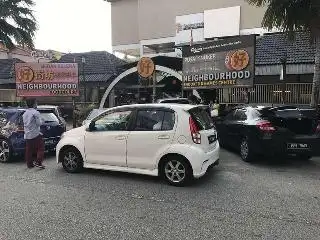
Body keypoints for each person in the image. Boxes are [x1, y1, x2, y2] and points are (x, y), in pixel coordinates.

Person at [23, 98, 45, 169]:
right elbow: (39, 123)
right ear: (34, 104)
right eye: (36, 102)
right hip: (35, 134)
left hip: (27, 134)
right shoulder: (35, 112)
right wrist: (43, 121)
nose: (36, 104)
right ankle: (38, 162)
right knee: (41, 148)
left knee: (29, 150)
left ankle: (29, 164)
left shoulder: (25, 113)